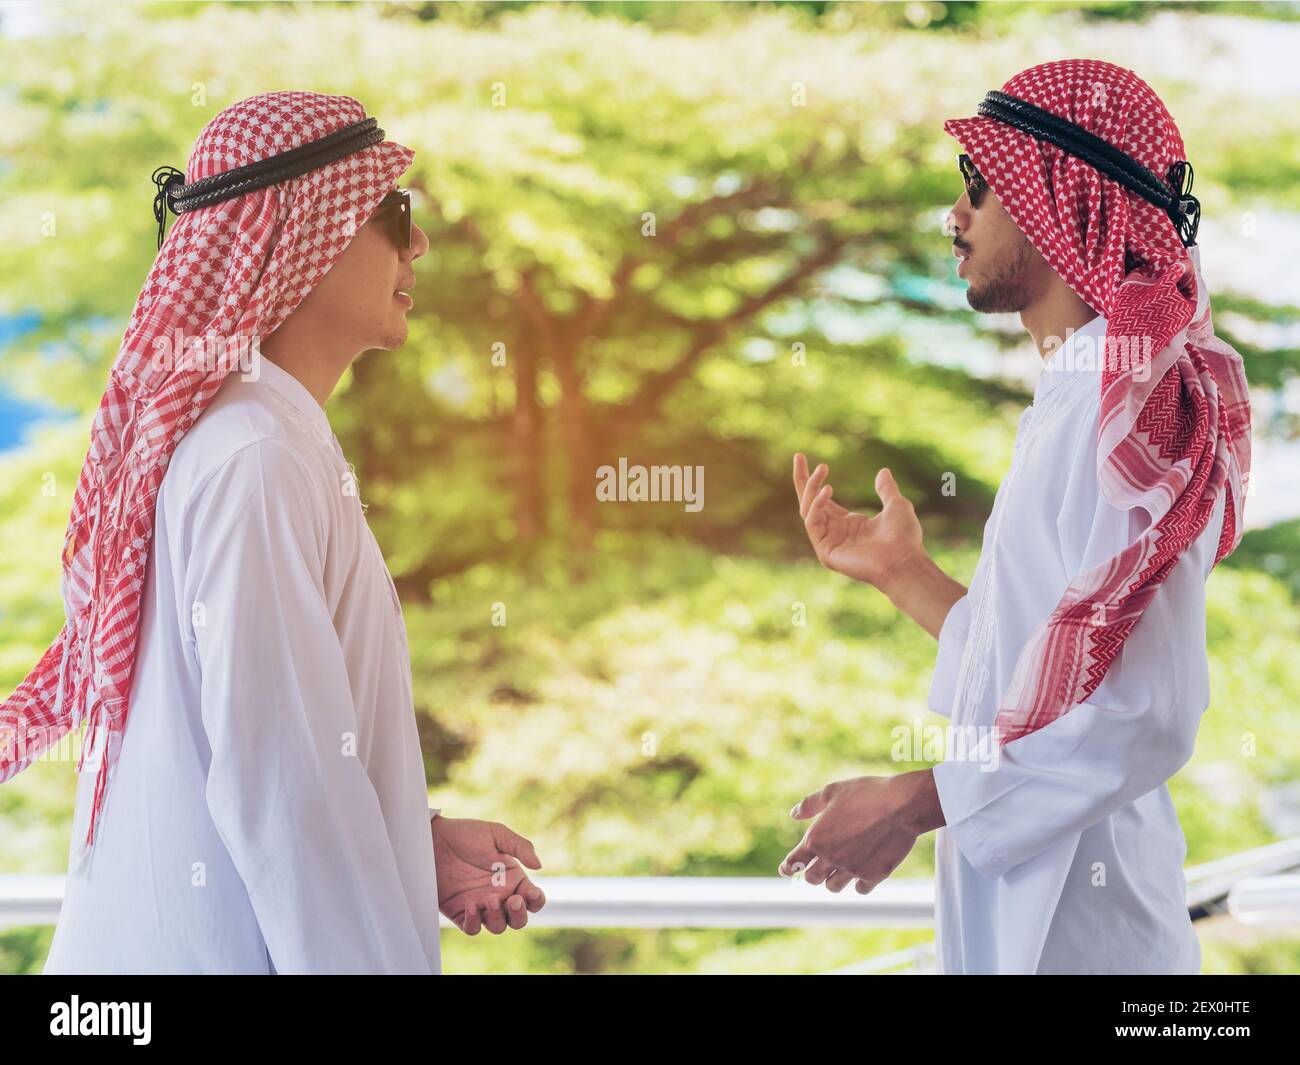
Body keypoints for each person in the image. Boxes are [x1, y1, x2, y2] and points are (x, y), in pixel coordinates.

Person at [1, 91, 544, 974]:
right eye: (394, 212)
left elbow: (276, 759)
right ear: (306, 231)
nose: (420, 246)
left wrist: (412, 845)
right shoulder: (256, 458)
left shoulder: (260, 439)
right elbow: (286, 797)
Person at [779, 60, 1251, 974]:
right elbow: (1037, 668)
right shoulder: (1078, 395)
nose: (954, 218)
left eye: (980, 189)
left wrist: (913, 800)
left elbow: (1148, 710)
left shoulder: (1124, 406)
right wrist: (905, 575)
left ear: (1055, 205)